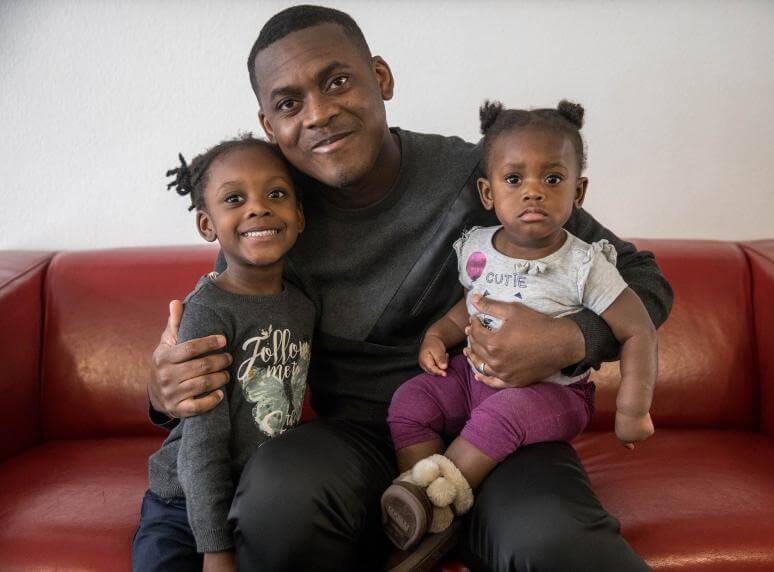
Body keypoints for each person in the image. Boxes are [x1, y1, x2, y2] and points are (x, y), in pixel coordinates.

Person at [148, 5, 672, 570]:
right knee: (278, 497)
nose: (319, 113)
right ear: (269, 124)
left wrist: (570, 341)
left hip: (507, 422)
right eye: (289, 103)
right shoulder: (272, 210)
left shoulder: (483, 176)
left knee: (554, 542)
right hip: (356, 441)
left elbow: (642, 279)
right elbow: (217, 328)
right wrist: (163, 394)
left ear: (382, 78)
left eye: (338, 81)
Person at [380, 100, 658, 552]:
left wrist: (631, 409)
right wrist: (436, 335)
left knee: (502, 415)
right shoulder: (476, 248)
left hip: (552, 395)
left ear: (579, 192)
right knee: (410, 400)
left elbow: (638, 330)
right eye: (514, 179)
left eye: (552, 179)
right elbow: (467, 307)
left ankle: (433, 506)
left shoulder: (585, 263)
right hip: (473, 379)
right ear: (488, 194)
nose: (534, 192)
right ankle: (415, 494)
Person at [133, 136, 315, 572]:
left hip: (256, 499)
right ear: (206, 225)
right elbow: (200, 445)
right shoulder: (207, 311)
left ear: (300, 215)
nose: (258, 208)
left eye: (276, 194)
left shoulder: (303, 306)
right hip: (183, 504)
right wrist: (216, 549)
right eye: (235, 198)